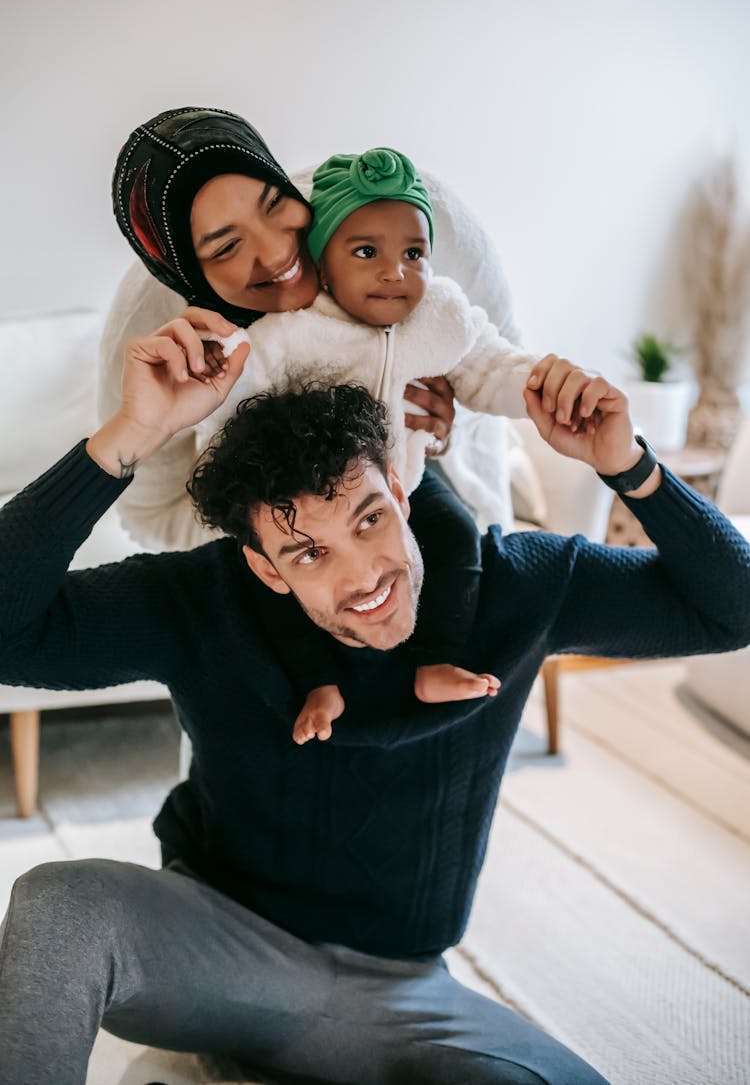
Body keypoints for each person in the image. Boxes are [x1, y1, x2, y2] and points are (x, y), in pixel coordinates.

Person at [1, 322, 749, 1085]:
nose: (363, 576)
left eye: (368, 519)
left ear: (398, 486)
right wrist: (132, 432)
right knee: (61, 902)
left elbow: (735, 605)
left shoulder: (520, 584)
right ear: (264, 566)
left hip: (404, 993)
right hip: (221, 957)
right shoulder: (202, 598)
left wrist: (629, 465)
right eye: (308, 552)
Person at [195, 145, 538, 741]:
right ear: (323, 264)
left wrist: (549, 385)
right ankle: (319, 682)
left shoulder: (436, 316)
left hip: (401, 478)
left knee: (457, 533)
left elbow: (491, 368)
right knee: (284, 577)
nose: (393, 272)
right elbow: (224, 426)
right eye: (365, 253)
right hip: (306, 502)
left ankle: (434, 660)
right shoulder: (286, 335)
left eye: (414, 253)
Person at [99, 106, 524, 556]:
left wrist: (446, 416)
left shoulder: (406, 213)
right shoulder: (151, 329)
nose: (279, 250)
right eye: (226, 246)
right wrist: (285, 530)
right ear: (186, 276)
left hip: (429, 481)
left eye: (275, 204)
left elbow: (500, 355)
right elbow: (151, 516)